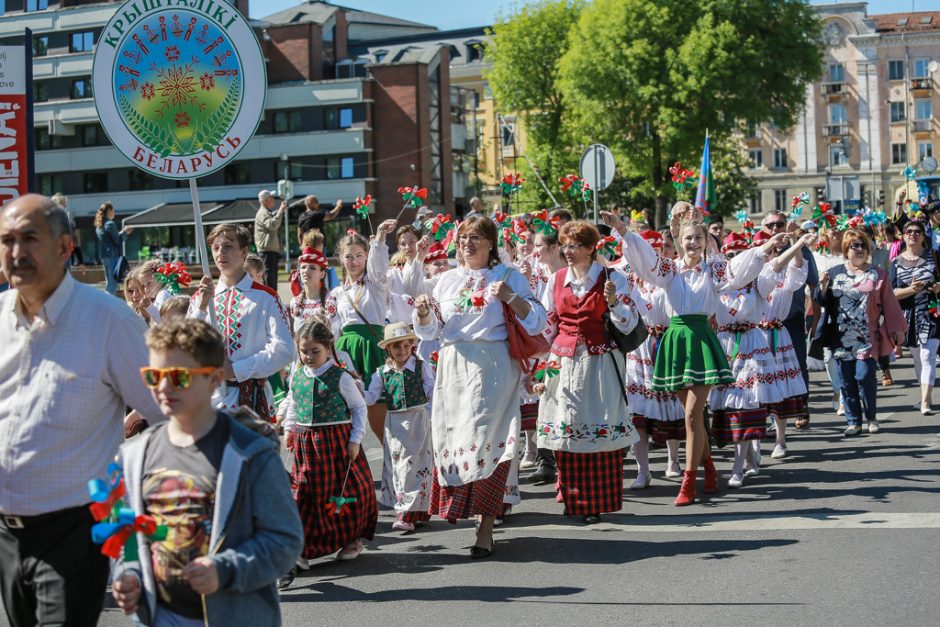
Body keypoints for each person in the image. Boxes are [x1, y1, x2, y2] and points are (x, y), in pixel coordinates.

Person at [0, 194, 163, 626]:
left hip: (76, 531)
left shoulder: (111, 323)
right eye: (6, 240)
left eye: (29, 238)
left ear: (65, 247)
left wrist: (144, 537)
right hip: (6, 536)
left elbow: (171, 416)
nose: (16, 252)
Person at [111, 319, 303, 626]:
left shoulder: (250, 453)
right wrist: (128, 573)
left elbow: (285, 540)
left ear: (214, 379)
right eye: (154, 376)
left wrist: (224, 569)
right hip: (160, 617)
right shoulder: (133, 456)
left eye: (178, 377)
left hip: (234, 616)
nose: (163, 387)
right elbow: (129, 535)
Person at [613, 202, 785, 506]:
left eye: (698, 239)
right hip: (677, 339)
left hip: (702, 339)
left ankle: (688, 483)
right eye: (688, 238)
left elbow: (739, 270)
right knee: (691, 416)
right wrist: (625, 230)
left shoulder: (714, 269)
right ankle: (707, 465)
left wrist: (766, 247)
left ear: (706, 242)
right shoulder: (669, 270)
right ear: (680, 241)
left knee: (692, 414)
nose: (693, 243)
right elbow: (646, 262)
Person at [413, 216, 547, 557]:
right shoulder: (445, 281)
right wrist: (425, 315)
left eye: (475, 237)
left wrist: (511, 296)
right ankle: (468, 509)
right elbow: (430, 333)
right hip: (454, 368)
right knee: (456, 440)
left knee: (489, 441)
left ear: (490, 243)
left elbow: (537, 319)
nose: (467, 244)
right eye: (462, 238)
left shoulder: (507, 275)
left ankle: (486, 526)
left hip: (494, 368)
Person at [535, 221, 640, 524]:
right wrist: (541, 367)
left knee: (598, 423)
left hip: (600, 359)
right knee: (565, 425)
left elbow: (629, 323)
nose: (568, 251)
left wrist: (614, 302)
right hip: (564, 361)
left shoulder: (613, 278)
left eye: (575, 246)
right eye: (565, 245)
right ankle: (572, 497)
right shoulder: (556, 280)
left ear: (592, 248)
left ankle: (596, 500)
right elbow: (547, 325)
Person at [280, 320, 377, 587]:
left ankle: (351, 538)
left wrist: (355, 440)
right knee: (304, 495)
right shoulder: (297, 375)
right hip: (306, 442)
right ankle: (302, 550)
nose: (309, 356)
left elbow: (358, 408)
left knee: (343, 493)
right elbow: (292, 401)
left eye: (315, 351)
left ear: (327, 348)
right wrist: (289, 428)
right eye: (304, 351)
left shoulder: (340, 377)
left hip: (335, 442)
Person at [191, 223, 294, 422]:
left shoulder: (265, 297)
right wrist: (201, 309)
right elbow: (184, 349)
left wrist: (238, 369)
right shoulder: (200, 298)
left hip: (250, 396)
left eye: (228, 246)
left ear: (244, 251)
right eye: (215, 247)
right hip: (208, 399)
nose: (221, 252)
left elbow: (285, 349)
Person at [815, 229, 906, 436]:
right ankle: (854, 421)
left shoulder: (877, 274)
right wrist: (822, 286)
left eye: (863, 245)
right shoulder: (835, 272)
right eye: (854, 245)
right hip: (841, 336)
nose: (860, 249)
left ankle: (871, 417)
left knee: (864, 376)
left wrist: (896, 329)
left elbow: (890, 303)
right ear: (846, 250)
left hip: (867, 335)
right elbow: (823, 301)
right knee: (846, 381)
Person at [617, 230, 685, 487]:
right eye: (656, 248)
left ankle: (673, 459)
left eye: (665, 247)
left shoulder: (672, 275)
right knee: (637, 411)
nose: (660, 252)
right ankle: (643, 470)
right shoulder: (630, 278)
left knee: (670, 404)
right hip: (640, 347)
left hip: (666, 341)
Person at [324, 219, 398, 442]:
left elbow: (378, 266)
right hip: (345, 350)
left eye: (358, 255)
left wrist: (380, 238)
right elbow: (334, 328)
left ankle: (393, 462)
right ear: (341, 259)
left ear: (366, 256)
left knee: (379, 415)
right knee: (344, 414)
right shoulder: (336, 292)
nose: (353, 261)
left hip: (371, 349)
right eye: (348, 256)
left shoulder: (375, 282)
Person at [363, 322, 435, 533]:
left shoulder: (421, 366)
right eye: (396, 347)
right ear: (388, 349)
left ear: (412, 345)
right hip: (394, 423)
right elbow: (371, 398)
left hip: (417, 420)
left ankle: (416, 511)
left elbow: (431, 390)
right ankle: (406, 512)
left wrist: (437, 409)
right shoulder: (381, 372)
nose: (401, 351)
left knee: (417, 464)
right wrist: (356, 388)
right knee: (400, 467)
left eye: (405, 345)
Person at [890, 220, 940, 414]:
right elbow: (892, 293)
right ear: (903, 236)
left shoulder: (934, 256)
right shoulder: (896, 262)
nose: (913, 234)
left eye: (917, 231)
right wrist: (910, 289)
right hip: (908, 315)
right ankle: (923, 396)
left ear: (923, 235)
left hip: (931, 311)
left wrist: (938, 287)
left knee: (927, 355)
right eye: (909, 231)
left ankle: (926, 402)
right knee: (918, 358)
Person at [289, 246, 333, 332]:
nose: (306, 271)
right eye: (303, 267)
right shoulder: (294, 302)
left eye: (312, 268)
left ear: (322, 274)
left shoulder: (331, 299)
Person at [95, 201, 133, 295]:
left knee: (109, 283)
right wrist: (125, 233)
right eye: (114, 211)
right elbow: (117, 240)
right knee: (113, 284)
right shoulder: (110, 224)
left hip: (104, 256)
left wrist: (121, 232)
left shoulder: (99, 225)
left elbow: (111, 238)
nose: (114, 213)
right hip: (113, 256)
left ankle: (106, 303)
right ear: (109, 211)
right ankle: (107, 305)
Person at [254, 190, 287, 290]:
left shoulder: (266, 212)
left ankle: (272, 299)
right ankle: (270, 299)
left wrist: (279, 213)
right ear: (266, 200)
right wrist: (280, 210)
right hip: (267, 251)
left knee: (271, 276)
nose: (273, 199)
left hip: (269, 250)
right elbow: (273, 225)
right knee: (269, 277)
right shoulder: (263, 213)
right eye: (271, 197)